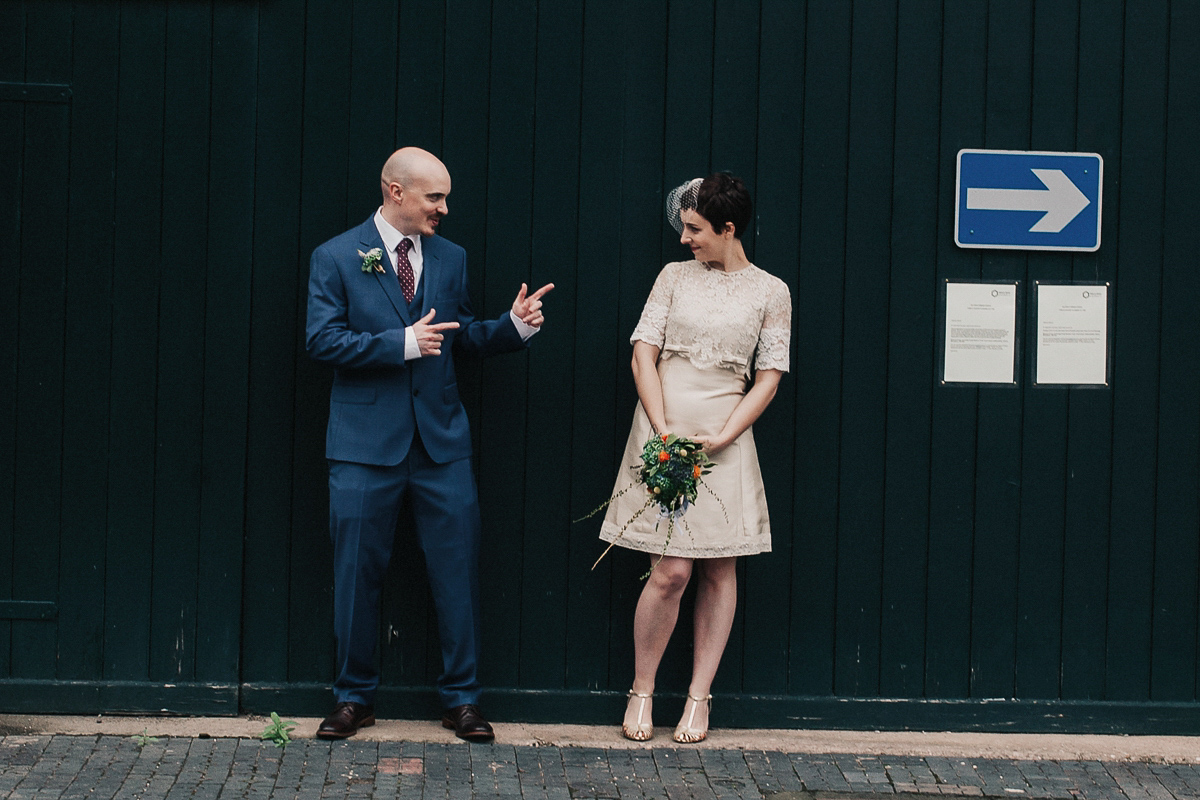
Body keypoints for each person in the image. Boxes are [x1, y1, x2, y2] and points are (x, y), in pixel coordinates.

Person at [306, 147, 553, 742]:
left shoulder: (450, 257)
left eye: (444, 197)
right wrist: (401, 344)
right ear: (395, 192)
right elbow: (322, 341)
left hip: (442, 444)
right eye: (434, 197)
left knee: (456, 572)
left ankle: (462, 700)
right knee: (356, 574)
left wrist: (511, 327)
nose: (444, 208)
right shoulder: (337, 256)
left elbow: (458, 334)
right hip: (364, 447)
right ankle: (353, 698)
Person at [599, 173, 791, 743]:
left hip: (725, 432)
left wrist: (724, 437)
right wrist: (662, 430)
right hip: (663, 424)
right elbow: (642, 352)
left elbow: (770, 376)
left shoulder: (769, 290)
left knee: (719, 564)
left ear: (728, 229)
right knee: (671, 569)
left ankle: (699, 698)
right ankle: (642, 690)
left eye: (694, 228)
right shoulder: (672, 277)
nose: (684, 238)